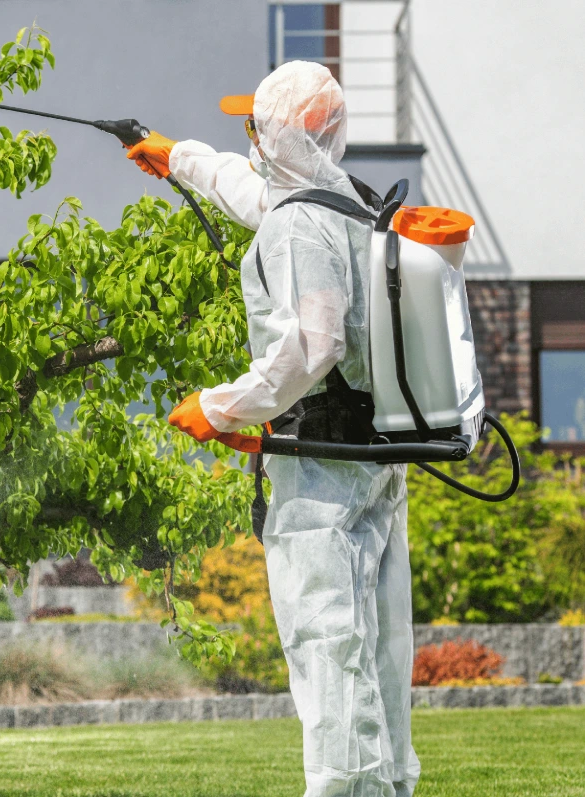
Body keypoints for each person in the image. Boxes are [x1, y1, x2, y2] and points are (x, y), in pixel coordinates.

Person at [127, 60, 421, 797]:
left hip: (321, 469)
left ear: (283, 134)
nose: (249, 138)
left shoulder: (299, 227)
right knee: (381, 643)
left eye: (256, 125)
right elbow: (252, 192)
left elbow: (311, 345)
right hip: (373, 458)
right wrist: (180, 157)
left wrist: (223, 406)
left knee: (328, 640)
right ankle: (387, 785)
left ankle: (343, 789)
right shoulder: (347, 206)